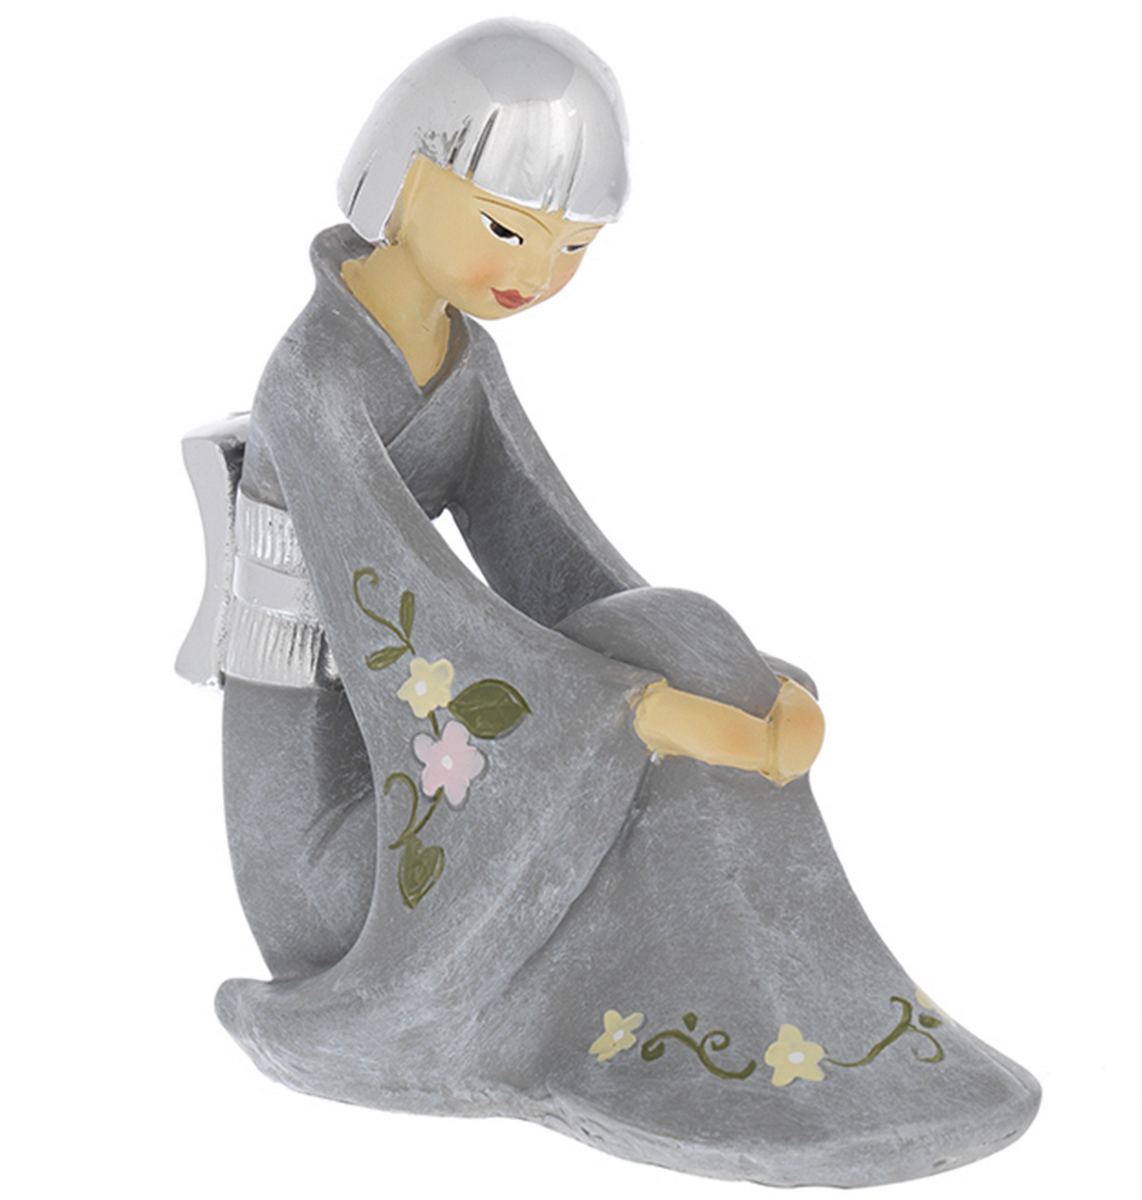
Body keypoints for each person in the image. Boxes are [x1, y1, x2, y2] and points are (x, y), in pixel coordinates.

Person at [181, 18, 1040, 1187]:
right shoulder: (316, 380)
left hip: (421, 755)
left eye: (575, 246)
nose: (536, 273)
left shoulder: (461, 354)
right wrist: (634, 712)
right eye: (507, 229)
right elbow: (414, 623)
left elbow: (560, 558)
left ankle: (804, 1039)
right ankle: (747, 1053)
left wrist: (734, 679)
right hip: (350, 849)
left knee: (675, 636)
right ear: (406, 177)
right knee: (633, 711)